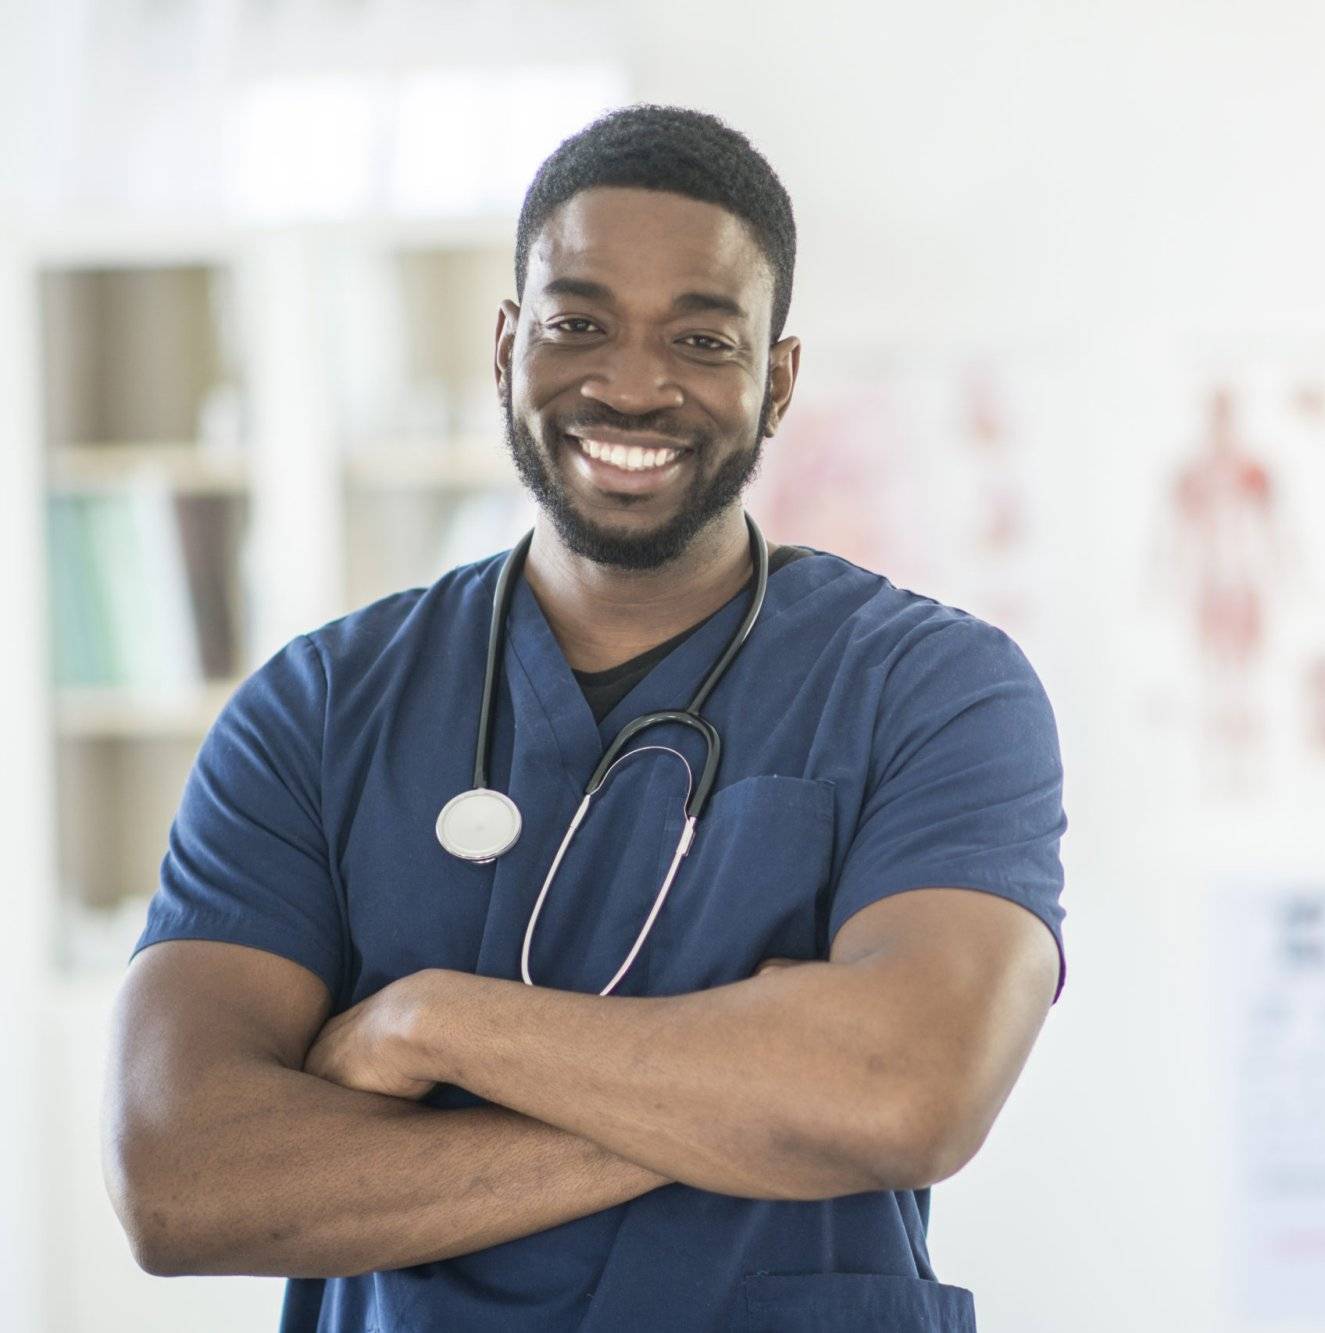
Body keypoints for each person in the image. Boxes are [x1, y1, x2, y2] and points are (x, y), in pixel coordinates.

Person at [102, 104, 1067, 1333]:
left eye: (703, 337)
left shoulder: (932, 690)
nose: (631, 382)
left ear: (775, 381)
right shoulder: (319, 708)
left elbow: (906, 1095)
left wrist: (429, 1021)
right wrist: (759, 1096)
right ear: (506, 344)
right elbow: (181, 1183)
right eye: (578, 322)